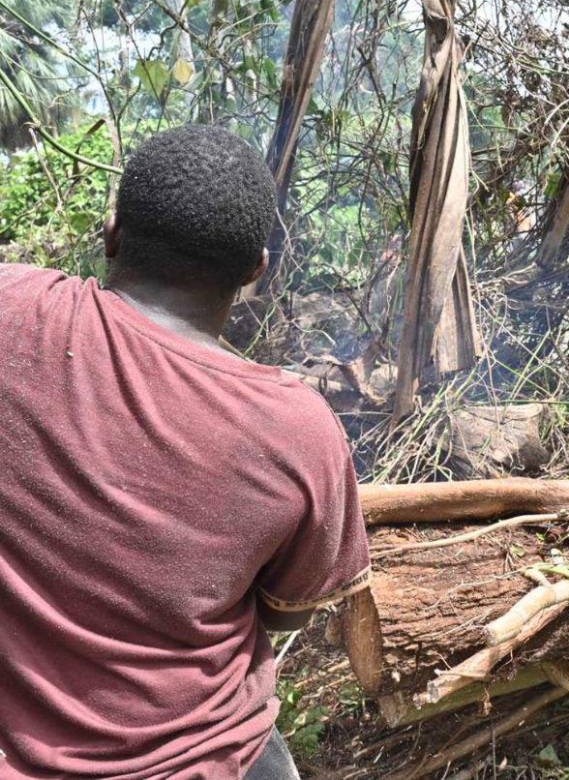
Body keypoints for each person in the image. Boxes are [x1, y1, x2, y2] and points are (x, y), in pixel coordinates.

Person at [0, 125, 371, 778]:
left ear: (112, 232)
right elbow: (289, 611)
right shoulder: (298, 432)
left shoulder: (12, 308)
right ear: (257, 269)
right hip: (202, 755)